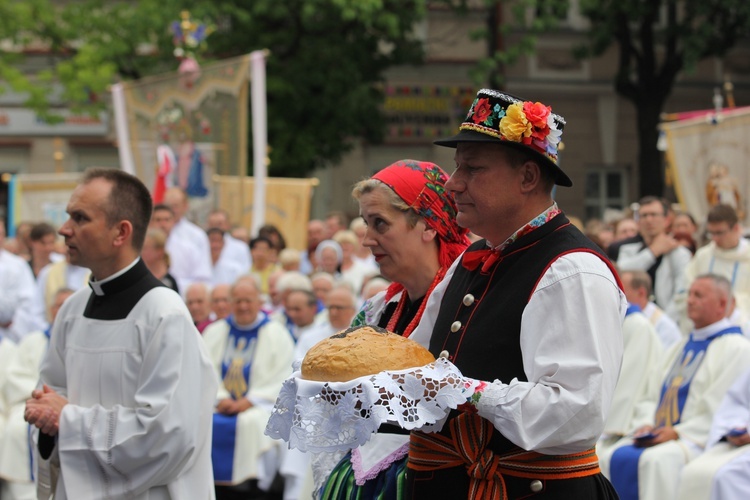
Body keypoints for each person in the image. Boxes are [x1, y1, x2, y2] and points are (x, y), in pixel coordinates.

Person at [402, 89, 627, 497]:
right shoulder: (473, 256)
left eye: (472, 169)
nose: (453, 184)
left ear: (527, 177)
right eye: (457, 168)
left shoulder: (571, 270)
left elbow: (576, 410)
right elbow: (415, 361)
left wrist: (470, 392)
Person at [23, 168, 218, 499]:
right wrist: (46, 416)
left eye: (80, 218)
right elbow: (51, 393)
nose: (64, 229)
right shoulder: (72, 309)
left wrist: (67, 421)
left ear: (120, 232)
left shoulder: (163, 314)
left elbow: (170, 435)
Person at [320, 159, 471, 499]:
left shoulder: (466, 303)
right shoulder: (379, 310)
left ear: (429, 226)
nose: (367, 240)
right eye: (366, 224)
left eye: (380, 224)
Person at [603, 274, 750, 500]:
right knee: (608, 456)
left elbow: (721, 406)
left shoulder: (737, 349)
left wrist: (678, 432)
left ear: (722, 304)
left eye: (698, 295)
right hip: (657, 433)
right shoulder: (679, 346)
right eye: (690, 294)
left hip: (693, 439)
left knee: (655, 463)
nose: (690, 300)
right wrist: (645, 423)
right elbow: (650, 393)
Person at [202, 275, 295, 498]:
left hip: (260, 405)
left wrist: (250, 400)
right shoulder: (214, 332)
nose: (243, 306)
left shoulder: (277, 333)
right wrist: (220, 397)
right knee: (202, 421)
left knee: (254, 423)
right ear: (231, 302)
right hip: (217, 404)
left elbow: (284, 376)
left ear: (259, 301)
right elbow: (204, 370)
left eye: (248, 300)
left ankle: (252, 488)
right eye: (238, 300)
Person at [0, 288, 74, 500]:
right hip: (30, 404)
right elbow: (14, 376)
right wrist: (41, 396)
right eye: (59, 305)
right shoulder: (33, 340)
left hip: (66, 408)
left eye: (68, 305)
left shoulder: (84, 343)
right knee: (15, 428)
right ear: (50, 309)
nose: (63, 310)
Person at [612, 196, 692, 320]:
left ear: (666, 220)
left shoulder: (680, 254)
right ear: (638, 222)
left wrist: (660, 322)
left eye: (654, 214)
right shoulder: (627, 250)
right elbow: (621, 272)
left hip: (667, 323)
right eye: (644, 216)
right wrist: (653, 252)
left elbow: (681, 295)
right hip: (632, 319)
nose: (649, 220)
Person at [676, 366, 750, 500]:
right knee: (694, 471)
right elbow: (737, 402)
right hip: (743, 442)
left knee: (726, 476)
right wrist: (736, 427)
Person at [675, 204, 750, 333]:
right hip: (703, 324)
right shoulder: (704, 255)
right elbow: (685, 289)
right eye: (711, 233)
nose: (715, 239)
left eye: (720, 233)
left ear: (736, 228)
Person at [0, 220, 44, 343]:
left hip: (11, 335)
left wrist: (10, 321)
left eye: (2, 234)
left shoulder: (17, 265)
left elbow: (29, 302)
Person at [621, 270, 682, 350]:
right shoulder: (624, 316)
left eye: (623, 291)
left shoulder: (665, 327)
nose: (620, 296)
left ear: (641, 293)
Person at [140, 227, 180, 294]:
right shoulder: (141, 278)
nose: (141, 252)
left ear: (160, 251)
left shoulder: (168, 282)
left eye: (145, 248)